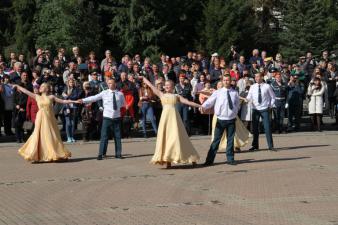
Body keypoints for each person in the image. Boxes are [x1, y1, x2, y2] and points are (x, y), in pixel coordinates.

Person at [141, 76, 201, 168]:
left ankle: (192, 158)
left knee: (180, 138)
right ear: (164, 87)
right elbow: (150, 85)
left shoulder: (176, 96)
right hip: (165, 120)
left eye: (169, 85)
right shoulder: (161, 94)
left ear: (173, 87)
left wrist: (199, 105)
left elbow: (187, 101)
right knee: (166, 139)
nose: (167, 86)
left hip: (175, 120)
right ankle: (168, 161)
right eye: (166, 85)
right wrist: (143, 77)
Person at [12, 83, 72, 162]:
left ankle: (54, 154)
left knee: (51, 136)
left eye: (43, 86)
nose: (41, 87)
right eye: (41, 86)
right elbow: (26, 91)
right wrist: (17, 86)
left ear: (47, 89)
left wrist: (73, 101)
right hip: (40, 118)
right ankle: (35, 155)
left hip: (50, 119)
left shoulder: (51, 97)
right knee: (38, 135)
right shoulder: (37, 96)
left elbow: (62, 101)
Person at [77, 79, 125, 160]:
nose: (110, 84)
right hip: (107, 117)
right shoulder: (104, 93)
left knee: (117, 136)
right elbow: (94, 98)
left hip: (116, 118)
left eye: (111, 83)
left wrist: (118, 112)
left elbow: (123, 104)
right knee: (104, 136)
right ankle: (101, 154)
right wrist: (83, 100)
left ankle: (118, 154)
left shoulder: (120, 94)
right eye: (109, 83)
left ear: (115, 84)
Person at [200, 75, 240, 166]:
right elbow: (210, 101)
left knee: (230, 140)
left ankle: (230, 159)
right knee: (216, 141)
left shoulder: (235, 93)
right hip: (221, 119)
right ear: (222, 81)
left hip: (231, 120)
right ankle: (209, 160)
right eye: (224, 80)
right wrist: (203, 106)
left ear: (230, 81)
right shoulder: (218, 92)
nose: (226, 81)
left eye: (228, 80)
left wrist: (235, 111)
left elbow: (237, 104)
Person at [246, 72, 276, 151]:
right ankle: (255, 145)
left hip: (265, 109)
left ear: (262, 77)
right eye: (255, 77)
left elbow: (273, 97)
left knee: (267, 128)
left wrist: (270, 106)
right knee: (255, 128)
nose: (256, 78)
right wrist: (248, 100)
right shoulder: (252, 87)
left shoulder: (267, 86)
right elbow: (249, 96)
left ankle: (270, 146)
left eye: (258, 77)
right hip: (255, 109)